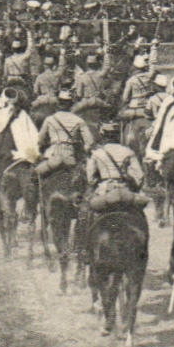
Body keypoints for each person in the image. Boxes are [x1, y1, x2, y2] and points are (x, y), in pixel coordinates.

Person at [76, 121, 150, 260]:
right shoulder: (128, 152)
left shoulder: (97, 153)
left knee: (85, 215)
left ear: (103, 135)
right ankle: (143, 252)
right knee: (141, 217)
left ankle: (84, 251)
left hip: (104, 191)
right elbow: (139, 177)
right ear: (118, 135)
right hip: (125, 191)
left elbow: (90, 178)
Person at [36, 90, 95, 179]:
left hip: (53, 157)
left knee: (34, 175)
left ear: (58, 103)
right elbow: (90, 142)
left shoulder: (50, 119)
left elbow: (39, 140)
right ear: (71, 104)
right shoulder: (79, 120)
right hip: (70, 159)